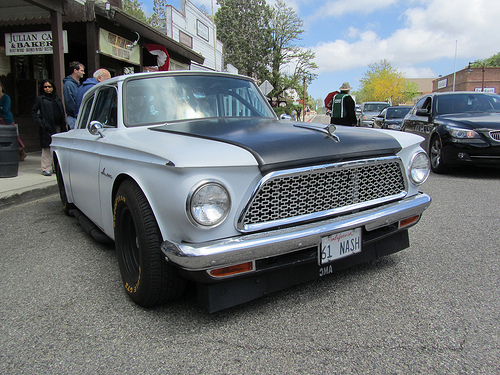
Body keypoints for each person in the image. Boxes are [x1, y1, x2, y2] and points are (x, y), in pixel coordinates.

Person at [31, 79, 66, 176]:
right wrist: (41, 122)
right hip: (47, 126)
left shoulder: (57, 99)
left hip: (59, 126)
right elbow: (33, 112)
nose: (47, 88)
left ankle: (56, 167)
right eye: (45, 87)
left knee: (57, 147)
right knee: (46, 147)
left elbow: (62, 112)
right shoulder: (40, 99)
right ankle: (46, 168)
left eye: (49, 86)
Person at [0, 82, 26, 161]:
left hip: (7, 119)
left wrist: (1, 108)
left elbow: (5, 109)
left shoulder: (6, 97)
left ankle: (21, 151)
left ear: (1, 87)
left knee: (12, 135)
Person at [63, 61, 85, 130]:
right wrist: (77, 113)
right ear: (75, 70)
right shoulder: (68, 84)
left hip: (78, 116)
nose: (83, 73)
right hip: (74, 117)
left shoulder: (77, 84)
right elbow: (69, 102)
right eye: (81, 70)